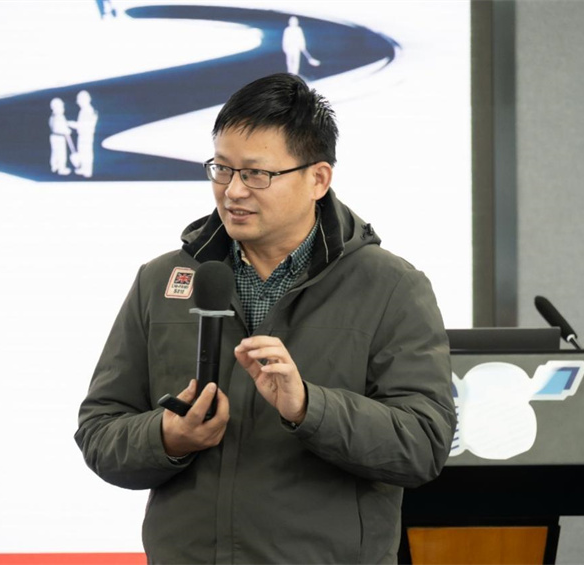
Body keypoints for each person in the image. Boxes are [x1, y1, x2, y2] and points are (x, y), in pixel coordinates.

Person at [75, 73, 456, 564]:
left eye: (256, 174)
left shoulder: (391, 286)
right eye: (221, 169)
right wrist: (167, 437)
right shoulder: (162, 280)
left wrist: (309, 408)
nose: (233, 190)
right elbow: (100, 431)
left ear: (318, 179)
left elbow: (423, 444)